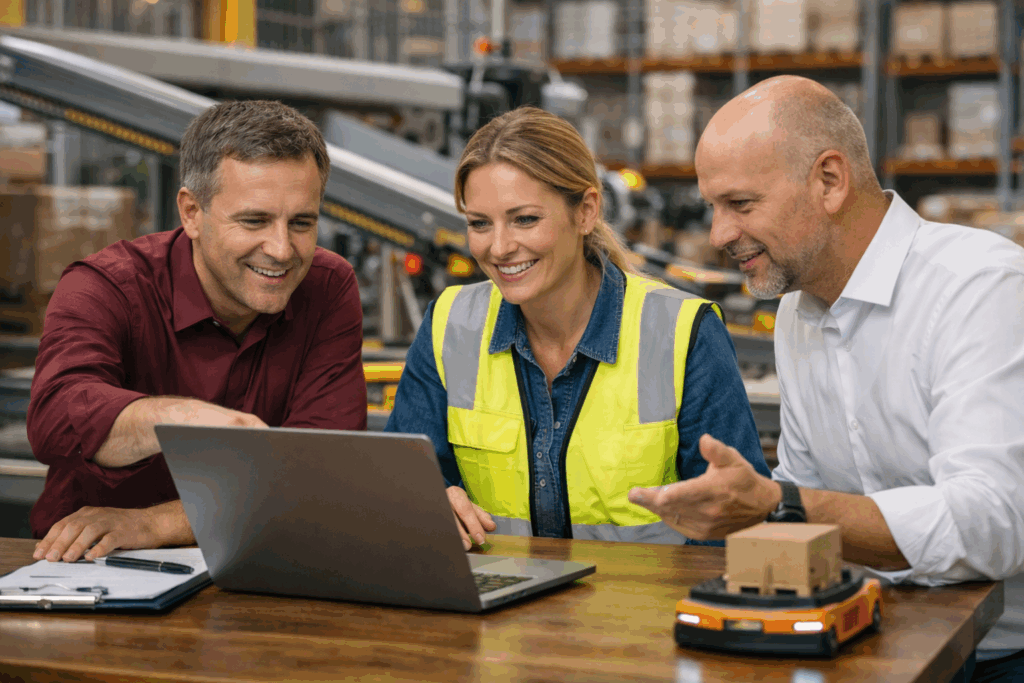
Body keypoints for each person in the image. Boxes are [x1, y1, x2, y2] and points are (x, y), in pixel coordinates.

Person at [628, 76, 1024, 681]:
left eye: (740, 204)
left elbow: (991, 524)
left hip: (996, 651)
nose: (719, 235)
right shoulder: (799, 310)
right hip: (870, 635)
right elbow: (810, 486)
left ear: (830, 181)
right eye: (713, 208)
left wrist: (780, 503)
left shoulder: (980, 286)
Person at [386, 106, 769, 550]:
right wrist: (425, 502)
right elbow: (401, 489)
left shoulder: (684, 333)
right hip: (497, 614)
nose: (500, 247)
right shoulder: (449, 325)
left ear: (586, 211)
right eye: (479, 224)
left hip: (645, 613)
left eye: (525, 219)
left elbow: (735, 530)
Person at [28, 100, 367, 564]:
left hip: (259, 560)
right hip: (92, 567)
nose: (282, 249)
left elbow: (323, 473)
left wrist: (154, 523)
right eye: (254, 220)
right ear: (191, 211)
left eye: (302, 223)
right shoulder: (106, 286)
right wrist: (188, 420)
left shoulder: (328, 287)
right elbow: (56, 421)